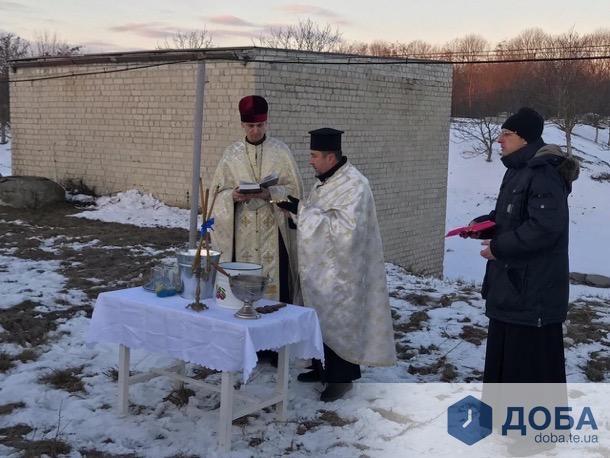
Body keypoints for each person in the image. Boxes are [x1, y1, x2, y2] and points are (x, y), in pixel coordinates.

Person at [277, 128, 396, 402]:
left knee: (339, 322)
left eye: (314, 156)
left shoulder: (355, 185)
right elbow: (320, 215)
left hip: (345, 273)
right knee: (319, 318)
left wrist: (300, 212)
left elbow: (347, 231)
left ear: (331, 157)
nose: (310, 161)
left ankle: (341, 378)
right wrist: (298, 209)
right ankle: (321, 368)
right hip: (322, 268)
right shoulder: (327, 181)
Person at [470, 107, 579, 383]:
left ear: (525, 138)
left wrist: (498, 247)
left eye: (506, 134)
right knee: (505, 367)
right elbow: (514, 218)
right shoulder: (517, 170)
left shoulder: (543, 172)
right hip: (512, 290)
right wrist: (484, 225)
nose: (499, 140)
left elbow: (544, 228)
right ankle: (502, 423)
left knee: (528, 371)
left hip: (533, 295)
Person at [211, 95, 303, 305]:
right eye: (250, 125)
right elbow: (216, 196)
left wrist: (270, 193)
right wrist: (232, 196)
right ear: (242, 124)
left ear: (266, 122)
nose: (255, 130)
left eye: (260, 125)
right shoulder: (230, 155)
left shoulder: (281, 152)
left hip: (273, 229)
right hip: (241, 231)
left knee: (277, 287)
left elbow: (296, 192)